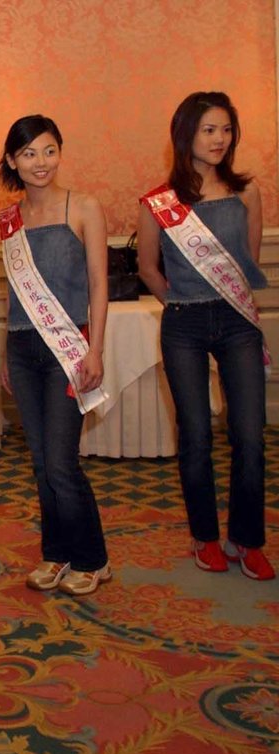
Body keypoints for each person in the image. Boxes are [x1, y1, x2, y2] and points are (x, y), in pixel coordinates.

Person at [137, 91, 274, 581]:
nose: (219, 139)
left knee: (249, 434)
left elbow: (248, 262)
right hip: (184, 325)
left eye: (226, 129)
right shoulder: (160, 201)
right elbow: (148, 268)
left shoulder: (247, 192)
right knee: (195, 434)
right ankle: (205, 536)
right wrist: (179, 297)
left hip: (237, 320)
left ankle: (247, 539)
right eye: (208, 130)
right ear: (186, 135)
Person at [0, 115, 111, 595]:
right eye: (28, 153)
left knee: (62, 462)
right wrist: (5, 353)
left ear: (60, 152)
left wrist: (96, 349)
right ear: (12, 160)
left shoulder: (83, 207)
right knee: (41, 462)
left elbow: (100, 284)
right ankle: (56, 553)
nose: (40, 162)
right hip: (23, 348)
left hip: (69, 346)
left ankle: (92, 558)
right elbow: (12, 296)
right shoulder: (9, 220)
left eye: (48, 151)